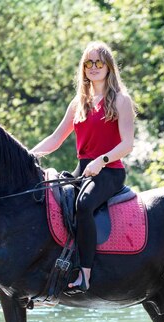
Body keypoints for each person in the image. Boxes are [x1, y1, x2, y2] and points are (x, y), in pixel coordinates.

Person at [30, 41, 135, 293]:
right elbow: (55, 140)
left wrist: (102, 161)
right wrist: (26, 155)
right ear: (84, 68)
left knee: (84, 204)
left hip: (110, 170)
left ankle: (85, 274)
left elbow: (127, 144)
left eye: (99, 62)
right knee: (55, 202)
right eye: (89, 63)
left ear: (109, 66)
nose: (94, 67)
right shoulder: (79, 103)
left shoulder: (121, 100)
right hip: (83, 168)